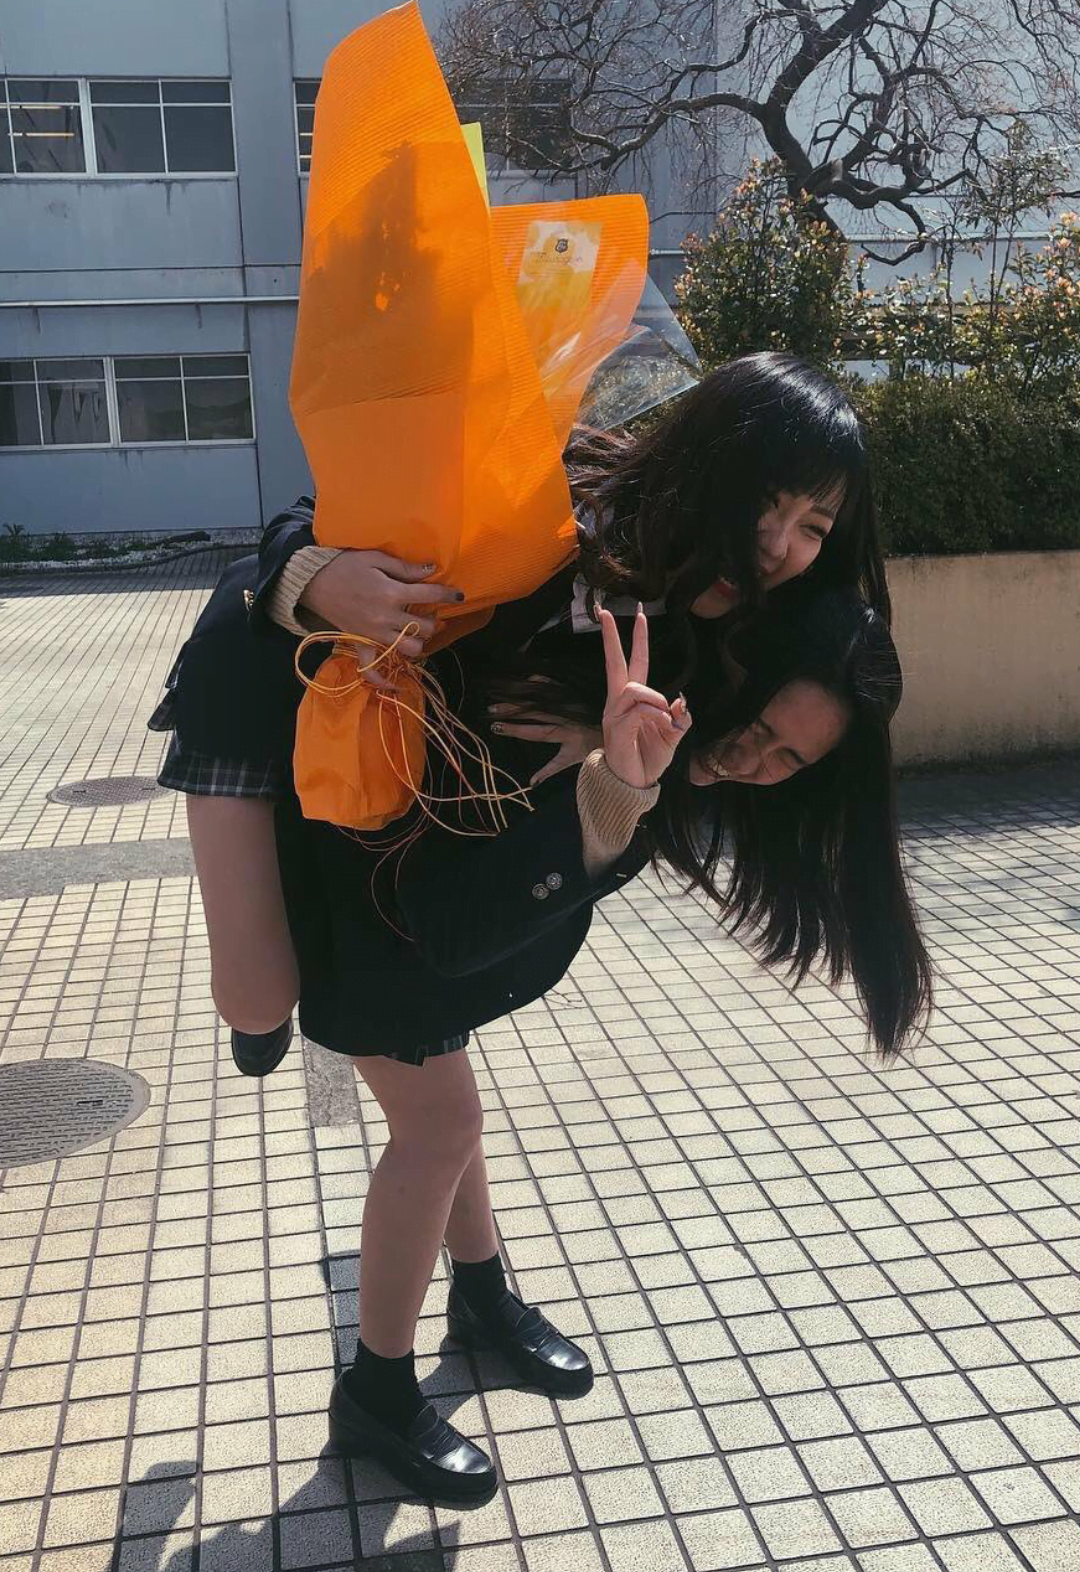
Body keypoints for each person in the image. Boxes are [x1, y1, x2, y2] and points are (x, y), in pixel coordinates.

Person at [155, 544, 931, 1500]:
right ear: (738, 669)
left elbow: (488, 904)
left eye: (787, 761)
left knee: (450, 1108)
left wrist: (617, 786)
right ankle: (376, 1392)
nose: (750, 760)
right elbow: (450, 911)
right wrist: (305, 576)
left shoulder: (648, 731)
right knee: (410, 1104)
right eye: (762, 728)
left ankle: (480, 1299)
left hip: (401, 866)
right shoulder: (575, 652)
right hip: (299, 764)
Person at [155, 352, 890, 1073]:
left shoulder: (701, 656)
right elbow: (322, 510)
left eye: (814, 528)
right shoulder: (562, 482)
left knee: (434, 1111)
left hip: (378, 765)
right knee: (258, 999)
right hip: (271, 672)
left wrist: (612, 773)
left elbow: (670, 769)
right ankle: (261, 1013)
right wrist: (318, 577)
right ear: (707, 459)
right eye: (767, 500)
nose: (777, 545)